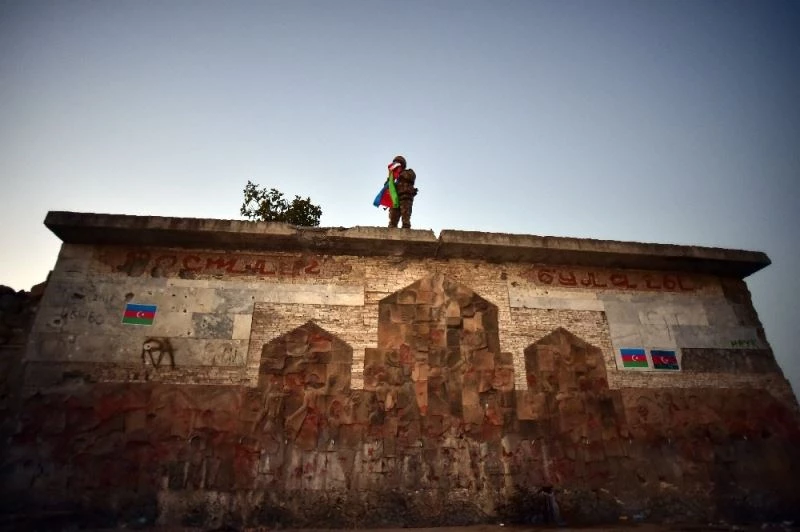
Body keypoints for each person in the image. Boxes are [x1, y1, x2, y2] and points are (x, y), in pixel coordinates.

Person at [387, 155, 417, 229]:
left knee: (405, 218)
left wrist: (399, 173)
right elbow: (388, 187)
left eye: (397, 164)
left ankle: (406, 230)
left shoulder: (409, 172)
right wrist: (390, 178)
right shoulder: (394, 177)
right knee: (393, 219)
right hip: (395, 199)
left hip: (405, 197)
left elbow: (410, 177)